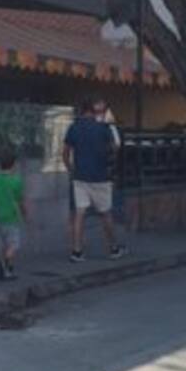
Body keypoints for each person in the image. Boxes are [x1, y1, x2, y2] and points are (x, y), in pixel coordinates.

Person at [63, 97, 126, 263]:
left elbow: (65, 153)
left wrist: (71, 169)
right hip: (100, 177)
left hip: (80, 176)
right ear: (93, 111)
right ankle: (113, 248)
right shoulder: (103, 128)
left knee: (79, 214)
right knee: (105, 214)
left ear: (82, 111)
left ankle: (77, 251)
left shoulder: (73, 128)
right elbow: (115, 148)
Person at [0, 152, 28, 281]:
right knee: (14, 245)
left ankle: (8, 271)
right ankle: (3, 263)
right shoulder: (16, 181)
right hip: (11, 218)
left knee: (6, 244)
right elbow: (21, 201)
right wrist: (25, 215)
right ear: (14, 165)